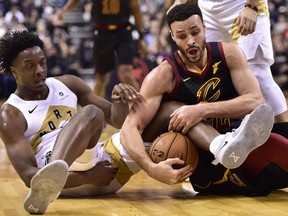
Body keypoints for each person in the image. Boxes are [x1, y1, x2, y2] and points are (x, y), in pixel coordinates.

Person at [120, 3, 275, 185]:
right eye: (182, 36)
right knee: (177, 110)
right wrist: (152, 169)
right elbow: (129, 128)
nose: (191, 41)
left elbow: (256, 102)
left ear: (204, 28)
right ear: (172, 37)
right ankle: (221, 145)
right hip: (198, 157)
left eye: (195, 32)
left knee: (280, 152)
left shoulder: (228, 53)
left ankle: (227, 143)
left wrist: (202, 110)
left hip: (238, 141)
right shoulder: (162, 75)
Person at [0, 30, 140, 214]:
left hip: (92, 159)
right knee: (91, 112)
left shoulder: (68, 84)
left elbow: (116, 119)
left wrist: (119, 99)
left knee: (154, 138)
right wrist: (87, 177)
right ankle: (52, 178)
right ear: (14, 71)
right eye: (30, 66)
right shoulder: (10, 114)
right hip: (67, 175)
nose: (40, 70)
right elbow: (28, 176)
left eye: (42, 62)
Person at [196, 0, 288, 123]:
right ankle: (224, 135)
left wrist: (251, 6)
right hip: (207, 9)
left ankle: (285, 133)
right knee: (215, 75)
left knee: (257, 74)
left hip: (240, 4)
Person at [57, 0, 147, 97]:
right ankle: (97, 110)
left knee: (126, 73)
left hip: (124, 31)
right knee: (101, 77)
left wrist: (141, 37)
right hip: (102, 33)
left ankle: (142, 106)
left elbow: (136, 8)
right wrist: (64, 11)